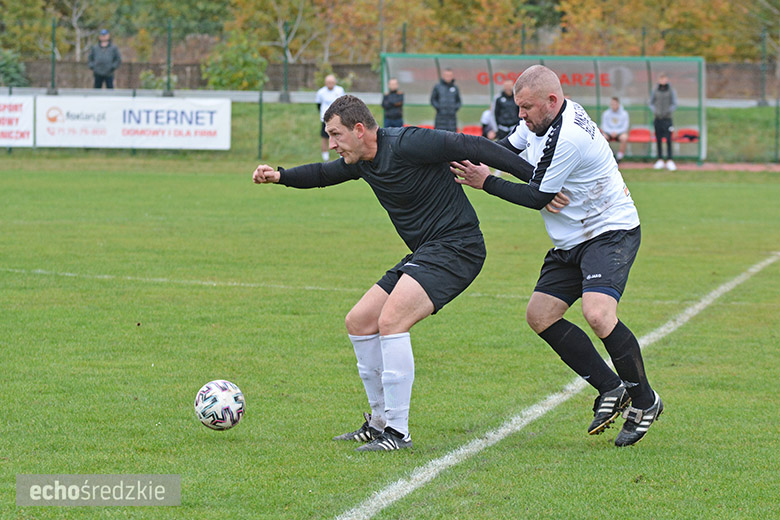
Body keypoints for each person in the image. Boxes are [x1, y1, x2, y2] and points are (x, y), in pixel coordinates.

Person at [252, 94, 564, 452]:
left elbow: (473, 144)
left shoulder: (407, 143)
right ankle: (379, 422)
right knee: (359, 321)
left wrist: (535, 180)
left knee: (392, 321)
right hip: (427, 251)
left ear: (358, 129)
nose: (331, 143)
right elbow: (323, 174)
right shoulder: (362, 161)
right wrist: (280, 176)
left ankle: (398, 433)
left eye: (335, 135)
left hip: (457, 247)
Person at [451, 65, 662, 447]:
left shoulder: (569, 137)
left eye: (526, 107)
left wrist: (486, 181)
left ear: (552, 100)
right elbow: (507, 149)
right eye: (518, 107)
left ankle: (646, 402)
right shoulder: (540, 121)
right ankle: (610, 387)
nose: (521, 115)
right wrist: (458, 154)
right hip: (571, 238)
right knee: (540, 316)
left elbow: (537, 197)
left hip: (608, 230)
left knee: (598, 314)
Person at [650, 72, 678, 171]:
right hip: (658, 119)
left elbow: (674, 103)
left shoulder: (671, 90)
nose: (663, 81)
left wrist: (667, 111)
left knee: (669, 139)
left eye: (664, 79)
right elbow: (651, 103)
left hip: (667, 119)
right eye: (661, 79)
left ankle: (670, 160)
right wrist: (656, 111)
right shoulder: (655, 90)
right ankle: (660, 159)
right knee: (658, 139)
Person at [315, 74, 345, 161]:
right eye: (328, 82)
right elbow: (318, 105)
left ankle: (342, 155)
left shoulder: (340, 90)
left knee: (340, 136)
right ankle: (325, 157)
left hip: (338, 119)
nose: (330, 84)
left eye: (331, 82)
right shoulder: (321, 92)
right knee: (325, 138)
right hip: (325, 120)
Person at [600, 97, 630, 162]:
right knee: (603, 137)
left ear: (618, 104)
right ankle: (608, 156)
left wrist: (616, 132)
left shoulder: (624, 114)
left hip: (620, 133)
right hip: (609, 132)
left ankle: (619, 157)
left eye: (615, 104)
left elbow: (625, 126)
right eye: (612, 104)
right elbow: (604, 126)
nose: (614, 106)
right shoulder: (606, 113)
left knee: (624, 137)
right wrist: (611, 132)